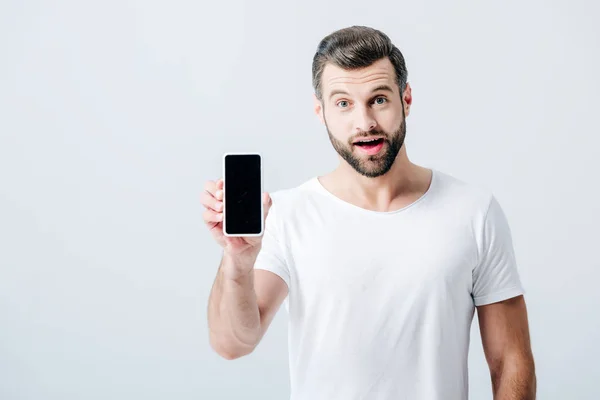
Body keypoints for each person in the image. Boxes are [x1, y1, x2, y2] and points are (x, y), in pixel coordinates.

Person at [203, 25, 536, 400]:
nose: (364, 123)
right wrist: (238, 262)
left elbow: (510, 361)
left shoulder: (474, 212)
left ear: (406, 99)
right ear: (321, 112)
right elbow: (233, 343)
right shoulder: (288, 214)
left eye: (379, 99)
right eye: (343, 103)